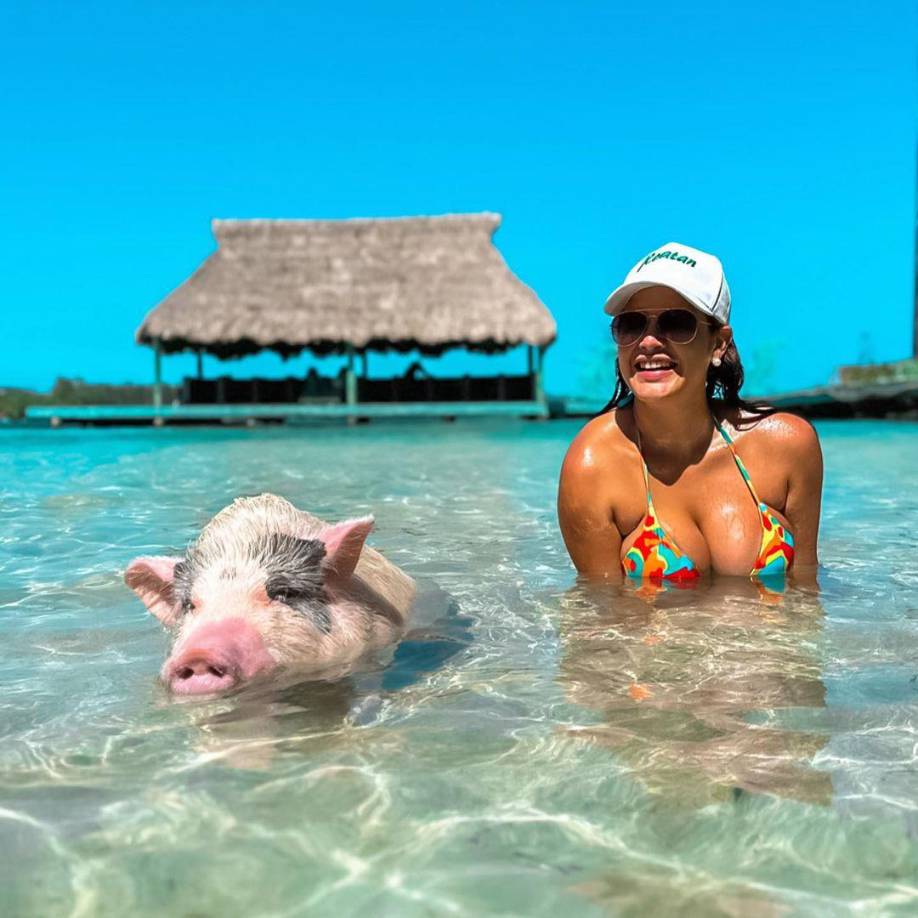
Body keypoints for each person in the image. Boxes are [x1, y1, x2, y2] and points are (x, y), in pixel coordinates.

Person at [558, 242, 823, 583]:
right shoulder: (593, 465)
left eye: (676, 323)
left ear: (718, 343)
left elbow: (806, 590)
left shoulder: (787, 445)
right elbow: (599, 607)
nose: (648, 341)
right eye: (631, 324)